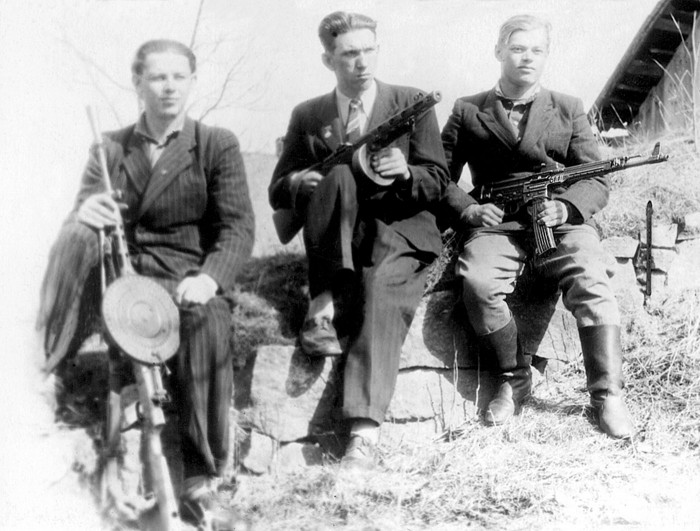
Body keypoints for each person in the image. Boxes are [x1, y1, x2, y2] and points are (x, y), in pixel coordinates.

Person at [37, 40, 255, 523]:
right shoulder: (110, 147)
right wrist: (84, 213)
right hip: (124, 280)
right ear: (137, 83)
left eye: (179, 76)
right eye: (157, 77)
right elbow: (85, 217)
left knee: (205, 323)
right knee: (75, 234)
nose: (169, 87)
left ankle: (200, 478)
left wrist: (210, 278)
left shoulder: (216, 144)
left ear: (192, 82)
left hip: (186, 277)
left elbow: (238, 228)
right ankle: (50, 357)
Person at [269, 11, 449, 469]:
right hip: (337, 233)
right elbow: (278, 188)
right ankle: (322, 306)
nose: (362, 62)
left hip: (401, 230)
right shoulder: (308, 115)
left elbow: (439, 180)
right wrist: (300, 184)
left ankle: (362, 438)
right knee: (334, 178)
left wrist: (407, 172)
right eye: (349, 53)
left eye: (369, 50)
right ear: (328, 59)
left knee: (380, 292)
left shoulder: (412, 103)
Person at [440, 14, 634, 438]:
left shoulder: (567, 107)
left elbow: (596, 174)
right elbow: (437, 174)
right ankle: (515, 378)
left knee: (591, 276)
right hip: (499, 222)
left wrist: (566, 208)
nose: (527, 57)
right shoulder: (467, 109)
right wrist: (468, 211)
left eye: (536, 50)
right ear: (499, 51)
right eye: (517, 48)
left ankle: (607, 395)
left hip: (557, 219)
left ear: (546, 56)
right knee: (477, 280)